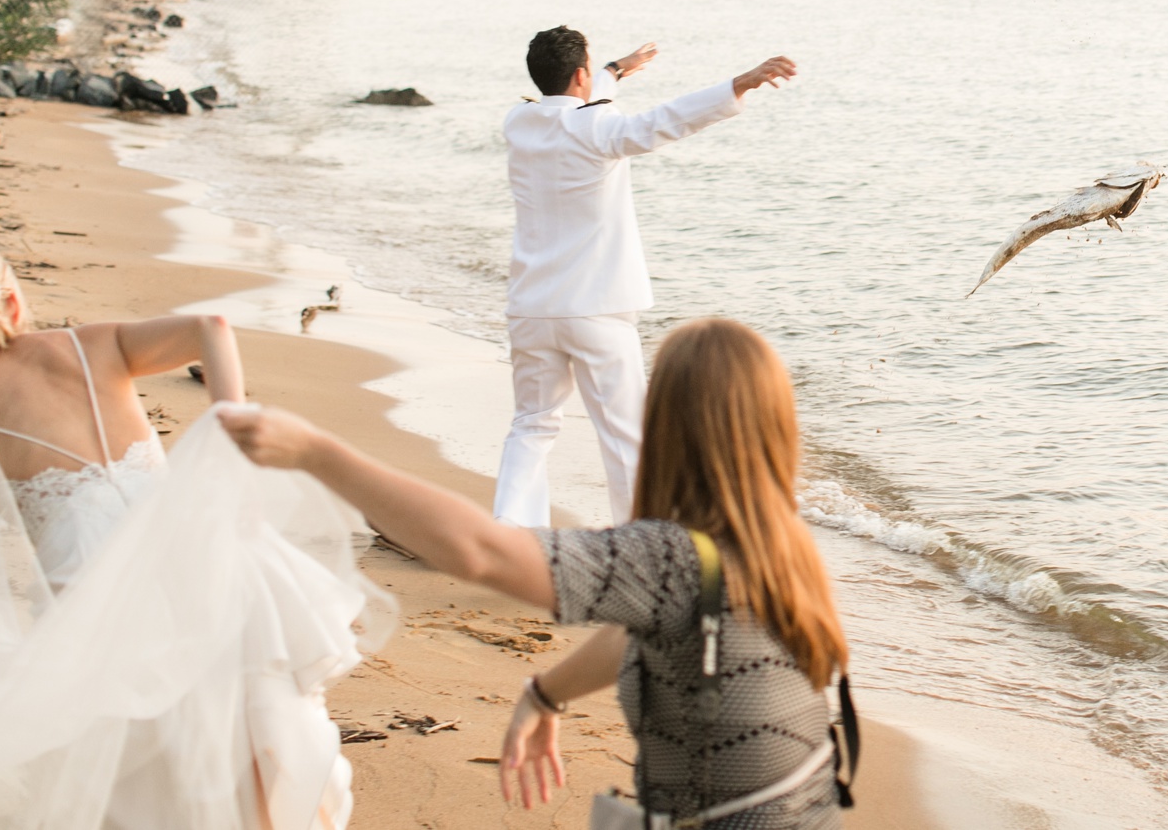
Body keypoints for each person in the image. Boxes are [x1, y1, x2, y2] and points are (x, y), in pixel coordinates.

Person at [226, 317, 856, 828]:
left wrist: (317, 452)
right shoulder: (782, 547)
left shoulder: (671, 560)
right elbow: (658, 628)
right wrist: (545, 693)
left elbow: (482, 551)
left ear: (665, 422)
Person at [0, 236, 380, 830]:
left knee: (137, 780)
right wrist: (234, 433)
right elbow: (214, 325)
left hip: (93, 613)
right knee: (249, 730)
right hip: (197, 566)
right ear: (13, 303)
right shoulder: (91, 344)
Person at [497, 26, 796, 527]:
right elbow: (665, 120)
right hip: (593, 308)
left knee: (531, 424)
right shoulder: (597, 130)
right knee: (624, 432)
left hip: (530, 305)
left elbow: (579, 106)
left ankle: (511, 534)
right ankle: (639, 535)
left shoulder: (519, 122)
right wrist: (738, 84)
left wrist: (613, 71)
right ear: (579, 75)